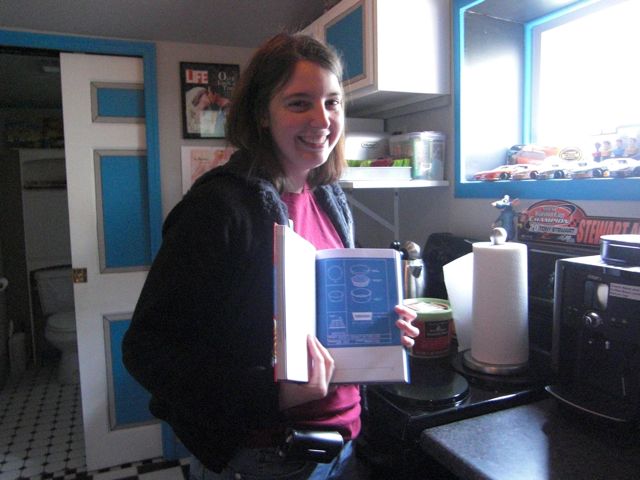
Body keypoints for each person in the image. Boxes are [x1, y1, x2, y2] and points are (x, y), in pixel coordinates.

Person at [122, 32, 418, 480]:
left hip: (344, 441)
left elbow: (321, 322)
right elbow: (147, 350)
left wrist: (378, 329)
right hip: (267, 458)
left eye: (333, 103)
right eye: (299, 103)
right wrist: (274, 393)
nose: (322, 119)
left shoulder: (329, 198)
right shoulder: (218, 207)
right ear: (262, 113)